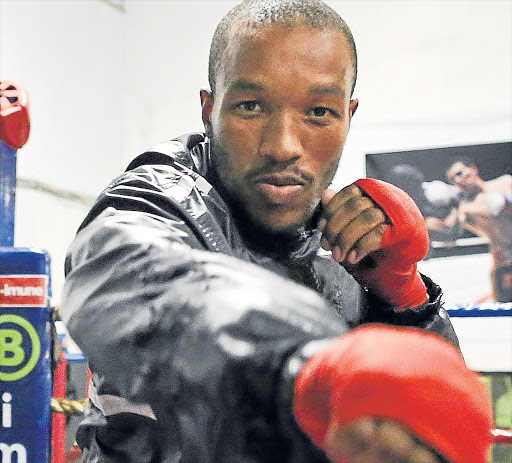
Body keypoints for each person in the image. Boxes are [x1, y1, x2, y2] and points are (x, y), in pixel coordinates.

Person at [61, 1, 493, 462]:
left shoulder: (352, 241)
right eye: (251, 106)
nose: (284, 145)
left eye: (319, 112)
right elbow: (119, 270)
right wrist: (298, 368)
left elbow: (417, 425)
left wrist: (406, 301)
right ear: (209, 109)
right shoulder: (163, 198)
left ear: (349, 114)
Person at [446, 157, 512, 301]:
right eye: (452, 180)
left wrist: (507, 199)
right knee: (502, 309)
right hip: (505, 262)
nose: (457, 181)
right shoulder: (466, 209)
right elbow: (490, 210)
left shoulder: (506, 182)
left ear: (473, 169)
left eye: (459, 174)